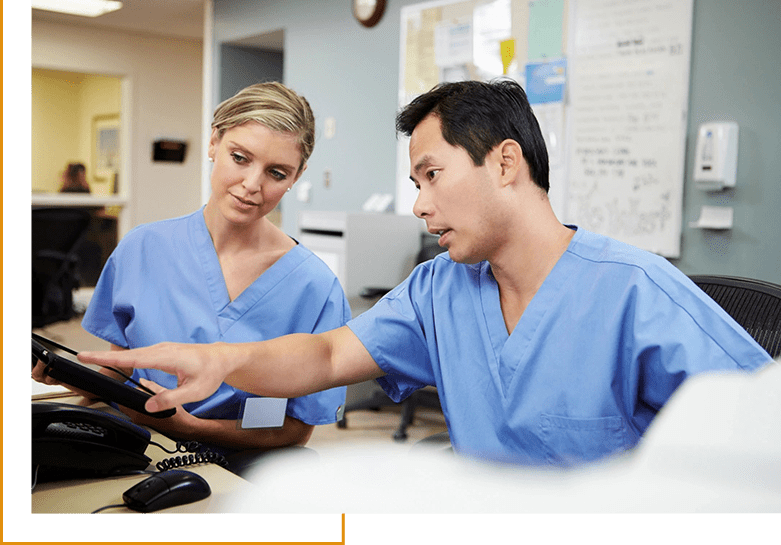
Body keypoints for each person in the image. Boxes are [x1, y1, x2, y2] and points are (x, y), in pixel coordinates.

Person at [80, 80, 774, 467]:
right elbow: (324, 353)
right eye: (415, 181)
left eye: (431, 175)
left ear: (504, 164)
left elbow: (759, 437)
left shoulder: (634, 292)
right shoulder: (439, 289)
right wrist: (219, 359)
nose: (418, 205)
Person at [37, 82, 350, 473]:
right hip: (132, 450)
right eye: (240, 157)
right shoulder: (142, 248)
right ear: (214, 143)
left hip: (240, 468)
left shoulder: (315, 288)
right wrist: (64, 373)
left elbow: (294, 429)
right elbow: (122, 372)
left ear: (297, 175)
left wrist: (192, 427)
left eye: (276, 172)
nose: (252, 185)